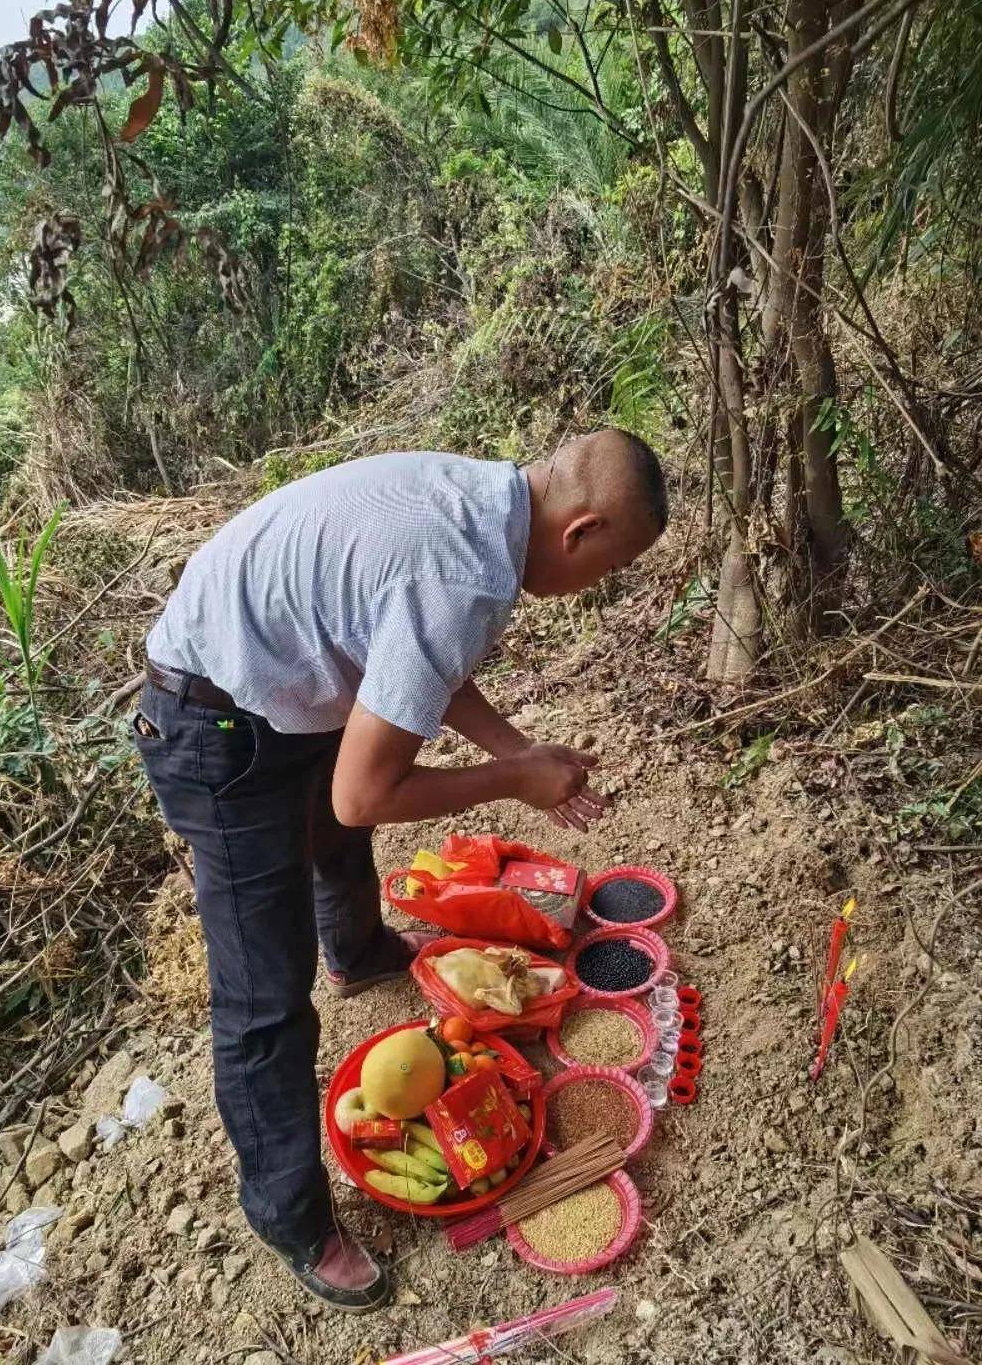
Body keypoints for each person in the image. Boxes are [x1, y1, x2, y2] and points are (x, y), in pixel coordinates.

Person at [134, 429, 667, 1310]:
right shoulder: (463, 573)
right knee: (262, 993)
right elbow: (365, 794)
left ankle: (361, 952)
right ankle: (288, 1214)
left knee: (333, 841)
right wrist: (512, 780)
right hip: (213, 722)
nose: (592, 590)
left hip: (269, 679)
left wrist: (519, 749)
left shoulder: (480, 502)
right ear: (582, 530)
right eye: (606, 570)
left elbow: (418, 664)